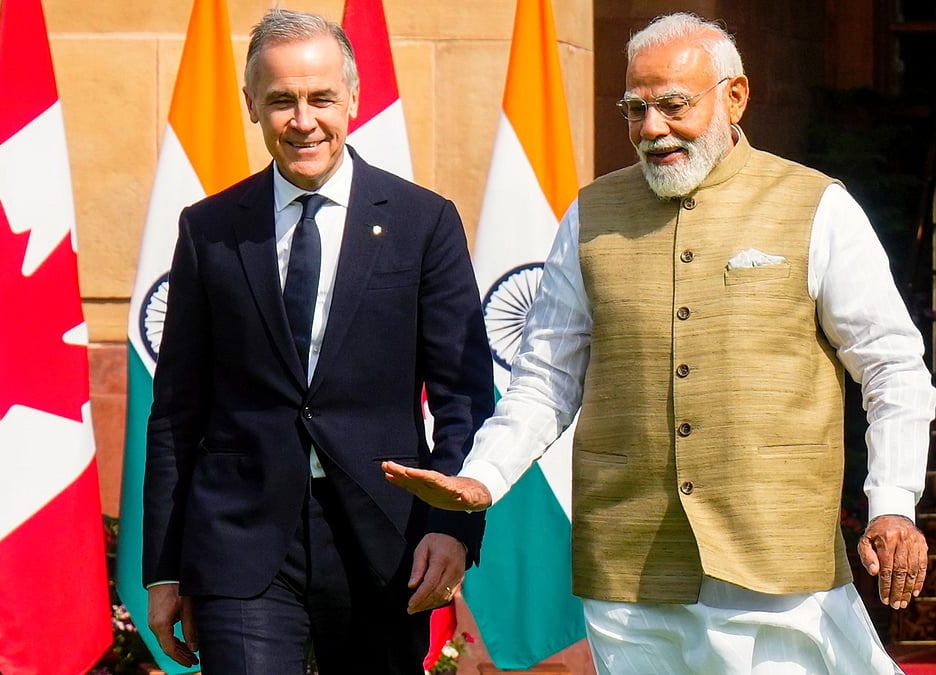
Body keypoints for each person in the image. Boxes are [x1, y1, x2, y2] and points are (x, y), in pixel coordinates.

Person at [384, 12, 936, 675]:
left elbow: (892, 368)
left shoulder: (817, 207)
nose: (651, 129)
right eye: (634, 109)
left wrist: (893, 504)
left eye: (673, 105)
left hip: (781, 570)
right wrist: (481, 476)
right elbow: (544, 381)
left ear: (735, 97)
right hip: (632, 571)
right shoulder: (590, 217)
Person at [141, 8, 494, 674]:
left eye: (321, 98)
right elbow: (175, 412)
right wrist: (163, 567)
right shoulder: (208, 230)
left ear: (353, 98)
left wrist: (453, 525)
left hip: (385, 544)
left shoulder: (425, 224)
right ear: (252, 105)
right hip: (240, 545)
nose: (303, 120)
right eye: (281, 101)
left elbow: (464, 399)